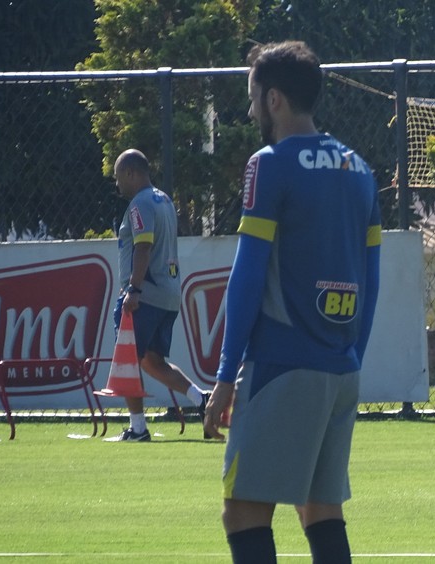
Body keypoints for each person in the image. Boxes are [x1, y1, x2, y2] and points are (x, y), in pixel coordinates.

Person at [202, 40, 381, 564]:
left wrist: (225, 375)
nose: (250, 110)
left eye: (253, 97)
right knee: (320, 509)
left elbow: (248, 273)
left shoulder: (270, 164)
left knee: (243, 510)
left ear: (274, 98)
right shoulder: (360, 169)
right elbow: (371, 279)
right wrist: (351, 357)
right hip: (341, 368)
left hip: (281, 364)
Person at [107, 149, 211, 442]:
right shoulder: (164, 200)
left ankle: (138, 428)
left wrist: (134, 289)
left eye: (118, 177)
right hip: (169, 294)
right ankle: (201, 398)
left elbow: (143, 246)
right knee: (152, 360)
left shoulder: (139, 204)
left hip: (145, 294)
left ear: (131, 173)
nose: (117, 184)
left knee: (128, 359)